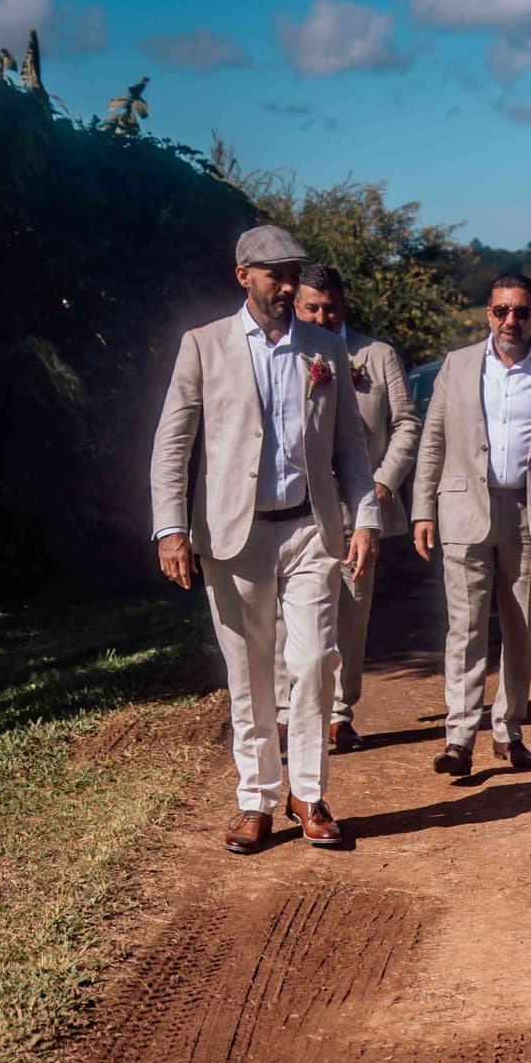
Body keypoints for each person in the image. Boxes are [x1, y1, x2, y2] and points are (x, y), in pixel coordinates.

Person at [149, 226, 380, 853]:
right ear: (242, 275)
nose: (287, 285)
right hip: (233, 532)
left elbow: (350, 448)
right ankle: (255, 800)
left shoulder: (325, 347)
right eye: (274, 274)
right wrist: (171, 526)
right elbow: (174, 442)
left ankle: (308, 793)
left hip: (312, 526)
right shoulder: (203, 347)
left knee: (312, 661)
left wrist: (366, 519)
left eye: (293, 273)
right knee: (249, 671)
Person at [412, 273, 531, 779]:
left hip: (530, 515)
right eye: (501, 310)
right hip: (465, 510)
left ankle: (509, 730)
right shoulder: (458, 366)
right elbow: (433, 440)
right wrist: (423, 508)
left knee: (520, 625)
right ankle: (459, 736)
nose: (510, 320)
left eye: (521, 312)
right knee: (463, 626)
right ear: (487, 312)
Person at [274, 262, 421, 752]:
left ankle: (339, 712)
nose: (321, 316)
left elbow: (406, 423)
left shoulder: (376, 356)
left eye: (330, 307)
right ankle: (282, 710)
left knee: (351, 610)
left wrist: (382, 485)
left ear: (344, 305)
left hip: (359, 503)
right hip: (297, 507)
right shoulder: (284, 355)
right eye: (311, 308)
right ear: (296, 306)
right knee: (285, 614)